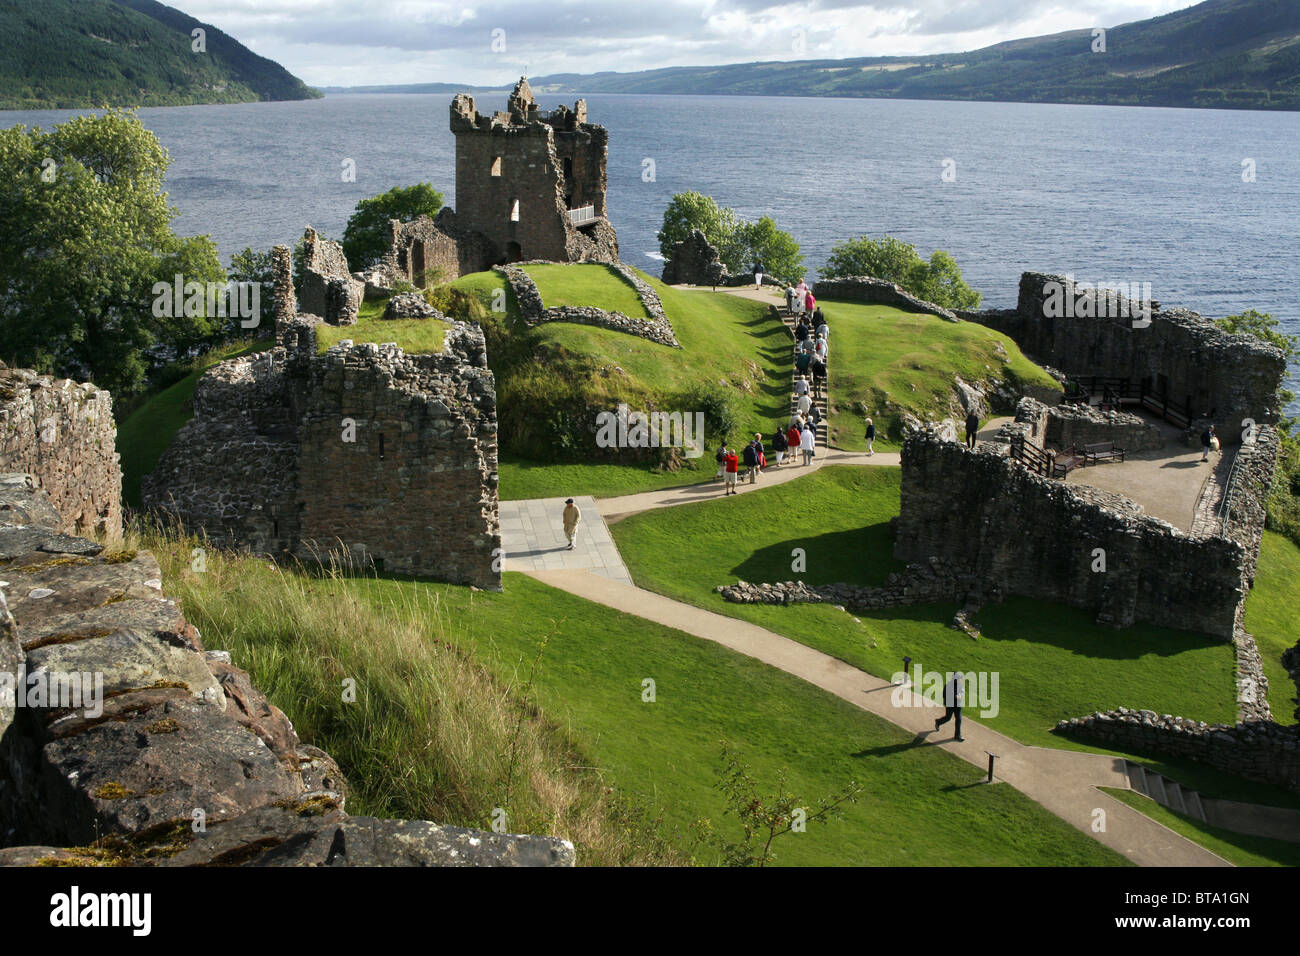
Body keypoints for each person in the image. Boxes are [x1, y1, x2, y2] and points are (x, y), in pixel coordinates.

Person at [934, 672, 965, 742]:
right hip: (950, 705)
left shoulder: (960, 685)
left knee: (959, 719)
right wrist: (954, 697)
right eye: (960, 679)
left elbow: (962, 692)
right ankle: (938, 722)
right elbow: (944, 695)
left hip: (958, 705)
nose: (961, 680)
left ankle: (957, 735)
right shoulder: (948, 686)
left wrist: (960, 696)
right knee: (948, 718)